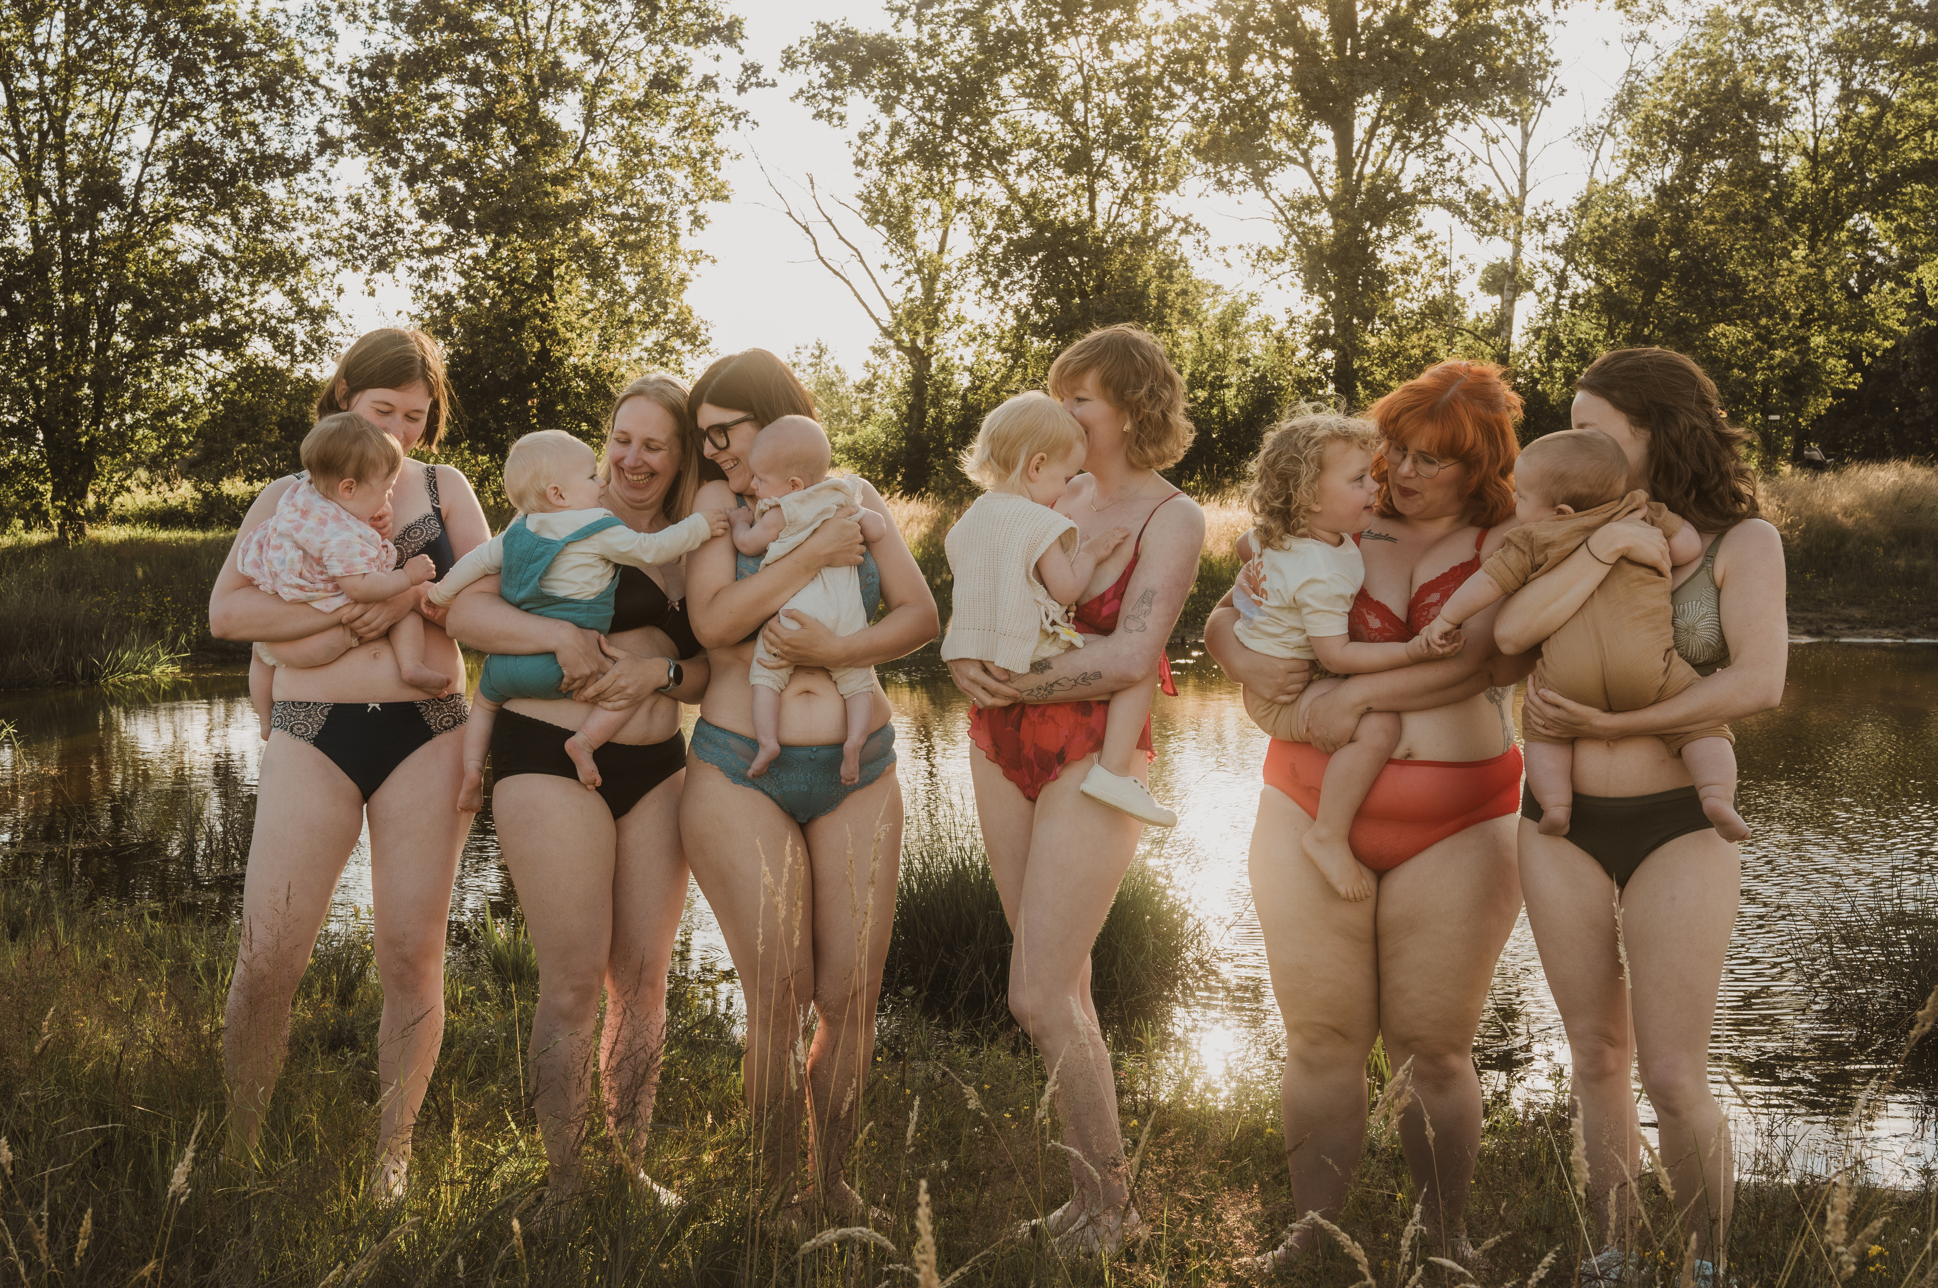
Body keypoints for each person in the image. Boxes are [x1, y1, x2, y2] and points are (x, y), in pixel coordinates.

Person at [1203, 359, 1532, 1271]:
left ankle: (1444, 1238)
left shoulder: (1510, 534)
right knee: (1319, 1037)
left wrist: (1344, 686)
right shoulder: (1334, 521)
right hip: (1304, 796)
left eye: (1436, 459)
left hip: (1459, 818)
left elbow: (1483, 665)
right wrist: (1239, 660)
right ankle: (1312, 1236)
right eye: (1399, 450)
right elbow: (1228, 619)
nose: (1407, 471)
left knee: (1434, 1046)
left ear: (1481, 469)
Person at [1492, 348, 1786, 1285]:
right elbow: (1506, 647)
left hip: (1678, 822)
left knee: (1670, 1071)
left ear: (1655, 428)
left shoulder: (1742, 542)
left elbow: (1758, 682)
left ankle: (1708, 1267)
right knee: (1594, 1056)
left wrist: (1618, 721)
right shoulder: (1563, 523)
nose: (1576, 437)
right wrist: (1595, 552)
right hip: (1558, 820)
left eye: (1596, 421)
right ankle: (1611, 1255)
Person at [208, 328, 489, 1196]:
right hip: (310, 728)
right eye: (382, 411)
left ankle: (391, 1155)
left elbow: (489, 605)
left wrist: (420, 602)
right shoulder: (289, 495)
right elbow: (228, 613)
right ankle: (237, 1146)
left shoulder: (446, 490)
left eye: (416, 414)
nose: (400, 432)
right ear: (343, 400)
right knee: (268, 954)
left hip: (429, 734)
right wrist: (346, 623)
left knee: (411, 953)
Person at [945, 325, 1206, 1254]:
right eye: (1057, 394)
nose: (1061, 412)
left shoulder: (1170, 516)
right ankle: (1090, 1199)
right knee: (1064, 979)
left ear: (1132, 407)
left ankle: (1115, 1212)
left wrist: (1015, 679)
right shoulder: (1031, 496)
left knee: (1038, 994)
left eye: (1081, 398)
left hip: (1092, 754)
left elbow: (1135, 652)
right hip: (996, 742)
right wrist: (978, 668)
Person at [441, 374, 717, 1200]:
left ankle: (625, 1166)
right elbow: (464, 614)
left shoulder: (691, 544)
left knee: (643, 979)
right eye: (621, 440)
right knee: (569, 981)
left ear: (680, 457)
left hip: (658, 768)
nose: (632, 458)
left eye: (653, 445)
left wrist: (661, 671)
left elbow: (708, 672)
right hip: (546, 752)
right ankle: (566, 1184)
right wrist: (559, 633)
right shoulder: (547, 521)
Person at [679, 349, 939, 1225]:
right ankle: (772, 1195)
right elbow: (715, 623)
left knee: (850, 995)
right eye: (703, 435)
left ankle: (833, 1186)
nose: (714, 449)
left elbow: (918, 616)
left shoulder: (855, 496)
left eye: (729, 430)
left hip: (856, 770)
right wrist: (811, 556)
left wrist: (836, 653)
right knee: (780, 995)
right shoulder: (720, 509)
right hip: (736, 766)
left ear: (779, 422)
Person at [1421, 430, 1745, 841]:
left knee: (1543, 727)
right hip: (1651, 672)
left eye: (1520, 496)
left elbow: (1487, 584)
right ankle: (1716, 794)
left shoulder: (1533, 539)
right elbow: (1687, 547)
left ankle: (1556, 805)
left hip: (1567, 682)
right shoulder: (1639, 511)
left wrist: (1445, 620)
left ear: (1560, 511)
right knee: (1703, 726)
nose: (1514, 503)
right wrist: (1659, 539)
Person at [1230, 410, 1461, 901]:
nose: (1376, 485)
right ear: (1311, 498)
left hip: (1281, 680)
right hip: (1283, 696)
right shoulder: (1320, 571)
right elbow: (1337, 657)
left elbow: (1241, 544)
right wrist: (1412, 650)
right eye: (1359, 480)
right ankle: (1328, 834)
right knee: (1381, 727)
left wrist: (1261, 579)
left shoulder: (1287, 534)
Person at [429, 430, 725, 808]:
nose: (604, 477)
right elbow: (652, 549)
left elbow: (475, 561)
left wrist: (437, 593)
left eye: (652, 444)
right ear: (558, 494)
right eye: (621, 439)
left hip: (510, 675)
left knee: (485, 701)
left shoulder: (522, 529)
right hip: (566, 694)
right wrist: (701, 525)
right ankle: (584, 742)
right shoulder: (598, 527)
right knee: (622, 686)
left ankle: (473, 769)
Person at [940, 391, 1167, 825]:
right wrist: (1093, 553)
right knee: (1143, 667)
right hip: (1033, 652)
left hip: (986, 658)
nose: (1066, 489)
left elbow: (971, 587)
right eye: (1065, 477)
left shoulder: (970, 520)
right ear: (1037, 466)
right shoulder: (1041, 521)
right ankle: (1116, 772)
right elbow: (1065, 590)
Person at [241, 413, 447, 740]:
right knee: (404, 611)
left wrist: (371, 518)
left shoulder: (304, 500)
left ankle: (265, 721)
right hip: (325, 640)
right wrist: (408, 580)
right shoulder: (342, 538)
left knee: (260, 654)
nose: (389, 497)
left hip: (286, 633)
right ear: (348, 487)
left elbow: (335, 523)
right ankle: (412, 665)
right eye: (386, 489)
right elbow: (361, 587)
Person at [728, 415, 889, 783]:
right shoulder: (841, 496)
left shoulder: (784, 509)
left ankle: (767, 742)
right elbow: (877, 529)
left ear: (794, 485)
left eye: (761, 479)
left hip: (799, 610)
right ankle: (854, 742)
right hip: (846, 612)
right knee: (858, 682)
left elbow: (748, 544)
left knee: (766, 675)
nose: (754, 486)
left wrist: (740, 520)